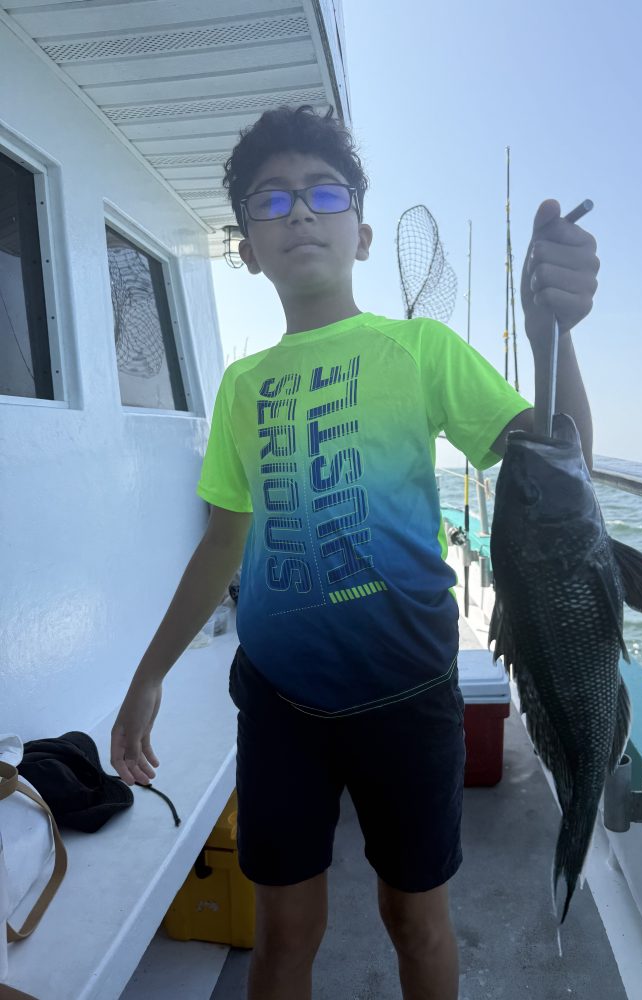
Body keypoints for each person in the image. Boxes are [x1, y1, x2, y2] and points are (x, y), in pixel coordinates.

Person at [110, 105, 599, 1000]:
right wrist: (148, 676)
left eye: (323, 193)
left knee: (415, 920)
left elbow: (565, 466)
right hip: (278, 703)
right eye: (272, 201)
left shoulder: (420, 351)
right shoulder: (240, 386)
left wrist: (550, 339)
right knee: (284, 933)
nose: (299, 211)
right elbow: (224, 541)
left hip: (409, 698)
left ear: (362, 233)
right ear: (248, 247)